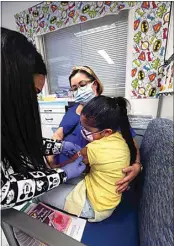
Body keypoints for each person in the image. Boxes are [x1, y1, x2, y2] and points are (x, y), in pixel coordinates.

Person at [1, 27, 86, 210]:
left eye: (83, 85)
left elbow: (16, 142)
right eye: (33, 93)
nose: (33, 102)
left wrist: (60, 147)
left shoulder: (111, 111)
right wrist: (61, 173)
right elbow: (3, 191)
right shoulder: (71, 112)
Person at [39, 96, 137, 222]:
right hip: (99, 190)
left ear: (106, 132)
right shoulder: (120, 138)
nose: (82, 132)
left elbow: (69, 163)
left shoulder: (95, 148)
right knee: (57, 185)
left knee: (42, 193)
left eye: (87, 130)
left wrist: (55, 168)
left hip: (95, 206)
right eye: (81, 126)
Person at [49, 66, 142, 192]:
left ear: (95, 84)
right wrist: (51, 160)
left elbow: (131, 143)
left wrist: (137, 166)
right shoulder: (73, 110)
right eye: (74, 88)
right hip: (60, 170)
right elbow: (58, 135)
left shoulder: (109, 111)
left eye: (82, 85)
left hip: (84, 174)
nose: (78, 91)